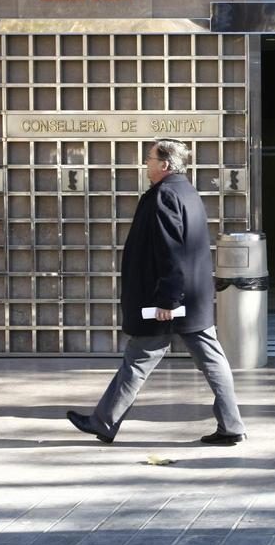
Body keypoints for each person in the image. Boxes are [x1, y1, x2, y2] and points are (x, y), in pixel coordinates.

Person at [66, 139, 246, 445]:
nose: (145, 164)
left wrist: (167, 300)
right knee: (210, 361)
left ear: (164, 164)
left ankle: (104, 422)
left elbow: (171, 251)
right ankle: (230, 426)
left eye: (149, 158)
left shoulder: (164, 195)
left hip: (170, 301)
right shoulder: (187, 192)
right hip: (193, 298)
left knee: (140, 359)